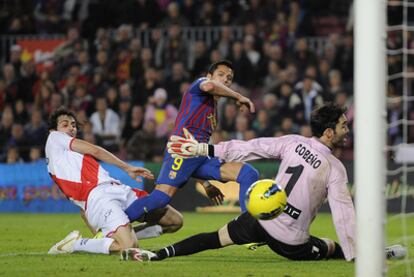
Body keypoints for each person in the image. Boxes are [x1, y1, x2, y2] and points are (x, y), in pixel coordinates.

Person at [135, 103, 406, 262]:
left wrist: (207, 150)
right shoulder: (335, 169)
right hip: (290, 241)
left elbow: (250, 147)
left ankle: (159, 254)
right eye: (344, 126)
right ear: (328, 132)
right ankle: (379, 253)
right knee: (329, 245)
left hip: (258, 217)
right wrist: (356, 254)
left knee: (215, 238)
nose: (347, 131)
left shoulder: (292, 142)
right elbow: (344, 216)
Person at [123, 60, 259, 224]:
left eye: (229, 78)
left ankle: (247, 227)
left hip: (198, 154)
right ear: (209, 76)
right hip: (181, 151)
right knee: (160, 199)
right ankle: (113, 224)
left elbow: (195, 158)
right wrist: (238, 96)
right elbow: (210, 86)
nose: (225, 80)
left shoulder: (214, 112)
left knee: (248, 173)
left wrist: (206, 184)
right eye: (221, 75)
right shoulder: (199, 86)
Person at [46, 107, 183, 256]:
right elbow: (96, 150)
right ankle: (74, 244)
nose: (71, 128)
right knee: (129, 246)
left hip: (118, 189)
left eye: (73, 125)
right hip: (101, 198)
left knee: (175, 221)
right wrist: (127, 167)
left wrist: (96, 231)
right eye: (65, 125)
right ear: (52, 130)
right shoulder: (55, 138)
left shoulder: (70, 157)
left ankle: (111, 236)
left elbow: (83, 209)